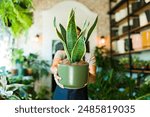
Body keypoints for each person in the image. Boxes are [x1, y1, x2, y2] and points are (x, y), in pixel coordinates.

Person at [50, 27, 96, 100]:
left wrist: (83, 74)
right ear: (67, 39)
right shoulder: (61, 53)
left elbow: (93, 78)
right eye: (72, 36)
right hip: (61, 91)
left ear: (81, 38)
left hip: (80, 94)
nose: (75, 38)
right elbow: (53, 66)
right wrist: (56, 71)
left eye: (77, 35)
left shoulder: (89, 56)